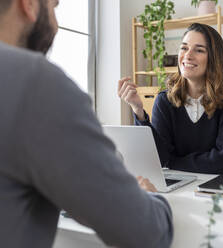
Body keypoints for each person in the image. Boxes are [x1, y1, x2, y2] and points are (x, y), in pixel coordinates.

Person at [0, 0, 173, 247]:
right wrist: (153, 200)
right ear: (29, 4)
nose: (57, 26)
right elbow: (147, 232)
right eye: (54, 7)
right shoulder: (37, 83)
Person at [118, 23, 223, 175]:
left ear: (214, 58)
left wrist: (173, 162)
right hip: (181, 186)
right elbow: (158, 158)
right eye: (184, 48)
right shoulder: (164, 100)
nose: (188, 55)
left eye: (199, 50)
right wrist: (138, 111)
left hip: (222, 187)